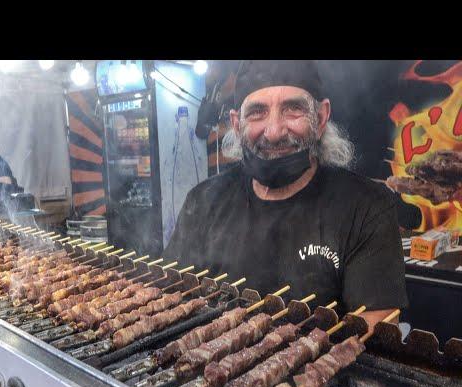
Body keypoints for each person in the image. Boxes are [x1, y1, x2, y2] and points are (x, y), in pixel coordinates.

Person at [163, 60, 408, 331]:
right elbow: (172, 300)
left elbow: (376, 338)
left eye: (293, 109)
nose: (274, 131)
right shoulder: (202, 202)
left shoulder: (367, 207)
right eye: (257, 112)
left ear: (321, 117)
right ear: (236, 124)